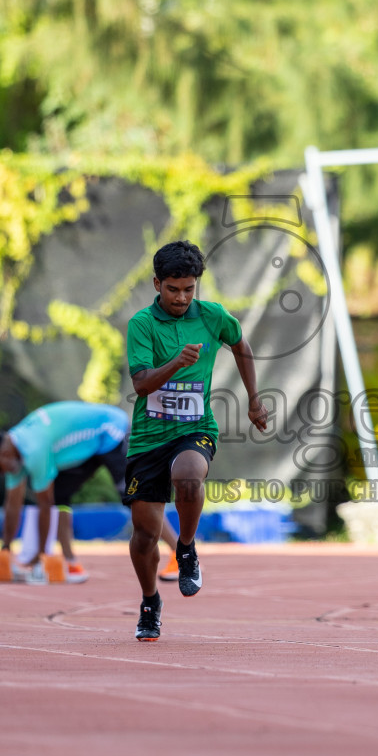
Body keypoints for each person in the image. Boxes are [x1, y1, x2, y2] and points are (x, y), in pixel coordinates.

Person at [123, 241, 267, 641]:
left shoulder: (212, 316)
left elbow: (241, 344)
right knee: (145, 536)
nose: (182, 297)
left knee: (189, 476)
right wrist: (176, 363)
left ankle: (185, 548)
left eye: (189, 289)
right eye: (173, 289)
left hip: (195, 427)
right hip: (149, 438)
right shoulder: (142, 325)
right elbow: (141, 384)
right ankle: (150, 601)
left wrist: (254, 399)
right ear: (157, 284)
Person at [0, 400, 179, 584]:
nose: (1, 473)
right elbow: (12, 505)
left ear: (4, 454)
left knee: (136, 497)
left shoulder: (33, 449)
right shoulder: (15, 448)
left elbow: (45, 506)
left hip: (112, 430)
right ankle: (70, 563)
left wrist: (41, 558)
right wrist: (5, 548)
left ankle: (180, 556)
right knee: (61, 496)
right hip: (89, 446)